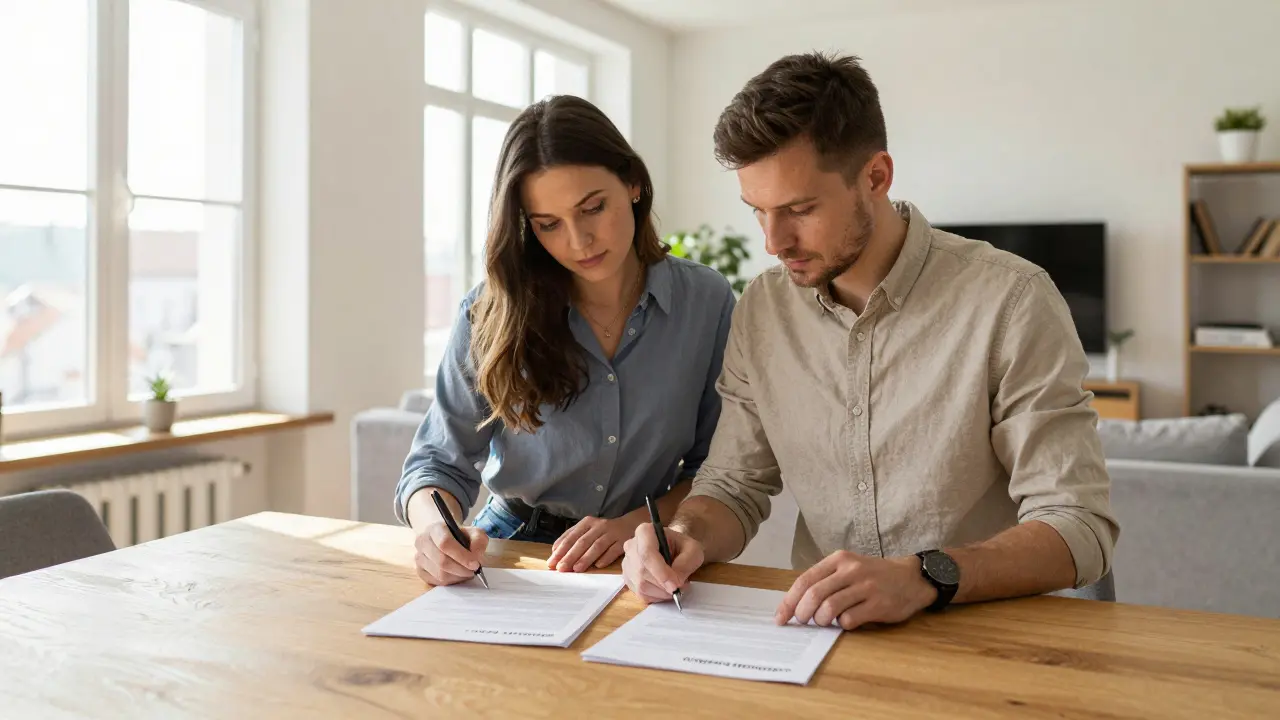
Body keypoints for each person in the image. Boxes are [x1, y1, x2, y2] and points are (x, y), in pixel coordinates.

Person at [621, 52, 1120, 630]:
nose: (774, 242)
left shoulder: (1012, 299)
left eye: (800, 209)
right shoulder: (763, 309)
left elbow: (1079, 525)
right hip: (821, 636)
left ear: (877, 177)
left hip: (988, 638)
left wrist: (924, 576)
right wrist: (686, 536)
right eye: (758, 211)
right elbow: (735, 483)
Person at [397, 95, 736, 587]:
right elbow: (436, 462)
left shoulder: (705, 301)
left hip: (646, 550)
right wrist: (435, 531)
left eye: (593, 208)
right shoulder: (490, 310)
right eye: (548, 225)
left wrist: (636, 526)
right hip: (510, 545)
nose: (579, 242)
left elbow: (715, 468)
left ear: (634, 184)